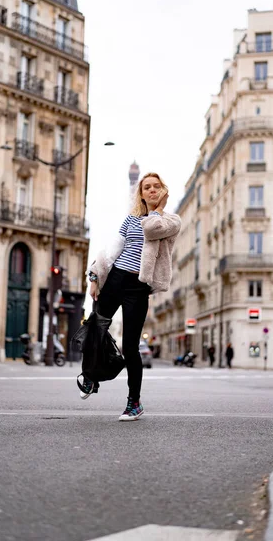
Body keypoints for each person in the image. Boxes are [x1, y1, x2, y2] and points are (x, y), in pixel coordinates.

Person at [84, 172, 181, 421]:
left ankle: (134, 403)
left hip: (138, 287)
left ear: (163, 191)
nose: (150, 190)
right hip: (116, 278)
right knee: (95, 327)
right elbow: (113, 249)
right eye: (146, 187)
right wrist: (95, 277)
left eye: (156, 187)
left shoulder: (171, 221)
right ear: (140, 192)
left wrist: (157, 209)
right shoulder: (130, 219)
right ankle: (91, 376)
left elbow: (151, 229)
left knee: (130, 346)